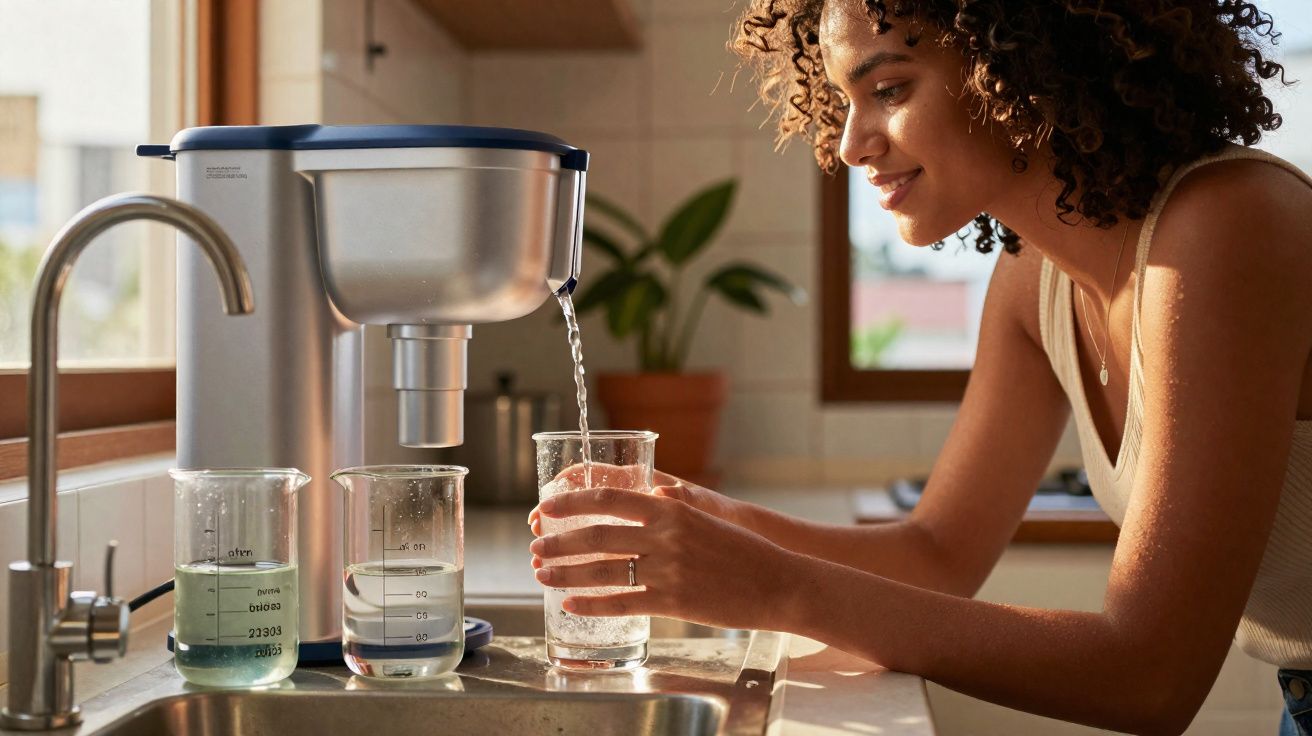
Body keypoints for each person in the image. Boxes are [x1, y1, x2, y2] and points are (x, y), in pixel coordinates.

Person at [528, 1, 1312, 733]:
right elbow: (935, 556)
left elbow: (1152, 676)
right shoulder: (1032, 280)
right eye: (843, 101)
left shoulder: (1230, 225)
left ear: (1020, 61)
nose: (850, 142)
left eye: (891, 89)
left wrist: (776, 586)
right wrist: (717, 522)